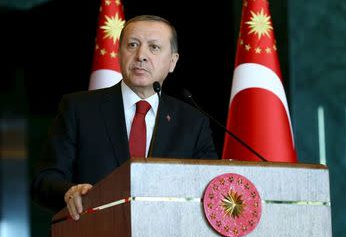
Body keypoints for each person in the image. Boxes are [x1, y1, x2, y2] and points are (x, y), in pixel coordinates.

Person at [31, 15, 218, 221]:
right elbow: (44, 180)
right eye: (132, 45)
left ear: (172, 62)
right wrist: (69, 191)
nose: (141, 55)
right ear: (119, 53)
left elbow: (211, 188)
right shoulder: (78, 109)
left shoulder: (193, 122)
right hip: (92, 233)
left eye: (154, 47)